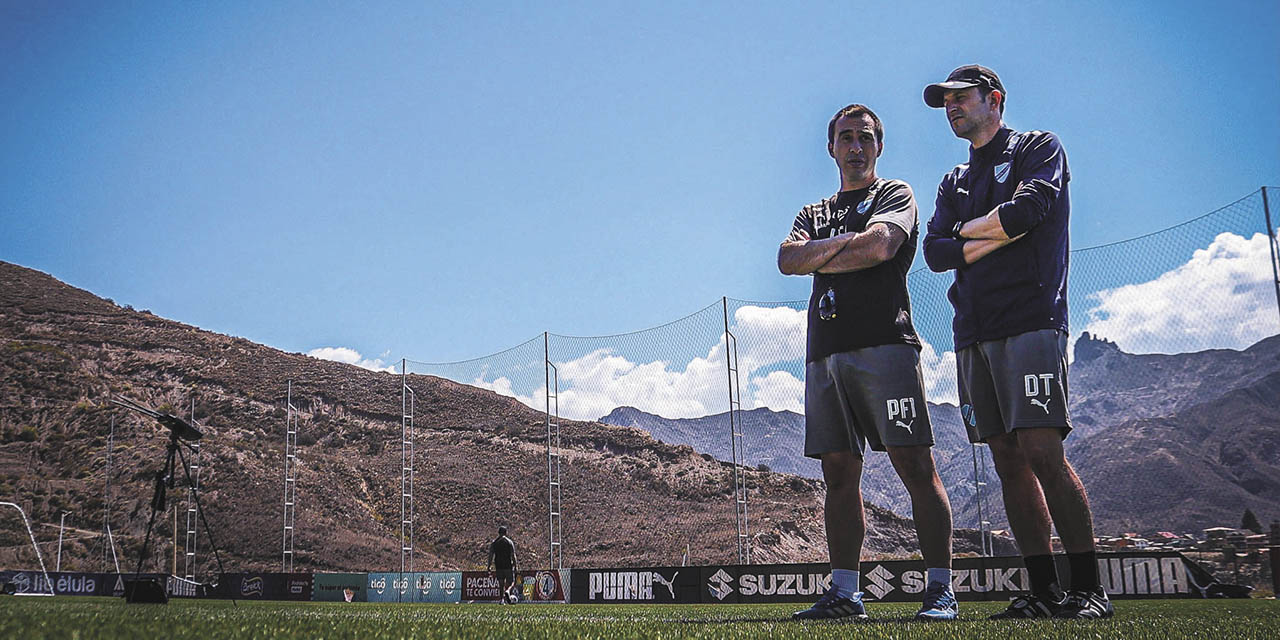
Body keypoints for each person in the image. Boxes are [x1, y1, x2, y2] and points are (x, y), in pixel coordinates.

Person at [921, 64, 1112, 620]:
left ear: (994, 100)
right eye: (946, 102)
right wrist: (991, 231)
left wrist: (966, 235)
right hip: (973, 331)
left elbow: (1029, 212)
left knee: (1041, 451)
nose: (952, 107)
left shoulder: (1037, 147)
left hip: (1032, 319)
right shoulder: (954, 180)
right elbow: (934, 253)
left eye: (961, 98)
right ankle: (1043, 590)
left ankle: (1087, 588)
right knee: (1006, 458)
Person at [780, 104, 957, 621]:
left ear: (879, 146)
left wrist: (823, 252)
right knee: (838, 473)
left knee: (915, 466)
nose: (855, 147)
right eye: (845, 138)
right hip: (824, 354)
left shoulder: (894, 195)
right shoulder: (813, 210)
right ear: (830, 147)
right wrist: (842, 248)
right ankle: (845, 593)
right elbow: (788, 259)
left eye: (865, 137)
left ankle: (940, 589)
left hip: (886, 346)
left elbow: (881, 246)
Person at [487, 526, 518, 603]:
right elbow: (513, 555)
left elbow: (491, 555)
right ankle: (507, 591)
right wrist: (515, 566)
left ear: (498, 532)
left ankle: (501, 600)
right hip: (508, 565)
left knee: (501, 583)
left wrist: (489, 566)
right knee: (511, 582)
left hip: (498, 565)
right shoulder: (509, 542)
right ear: (506, 532)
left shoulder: (494, 543)